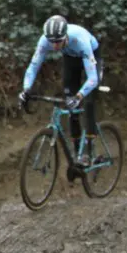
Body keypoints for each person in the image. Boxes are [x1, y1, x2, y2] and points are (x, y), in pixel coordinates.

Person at [19, 15, 102, 166]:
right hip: (71, 58)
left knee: (88, 102)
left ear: (65, 36)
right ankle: (78, 154)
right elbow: (33, 66)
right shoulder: (45, 40)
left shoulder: (80, 40)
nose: (55, 46)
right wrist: (26, 89)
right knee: (70, 105)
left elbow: (93, 79)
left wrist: (79, 96)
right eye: (52, 42)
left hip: (91, 55)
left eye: (58, 41)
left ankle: (89, 152)